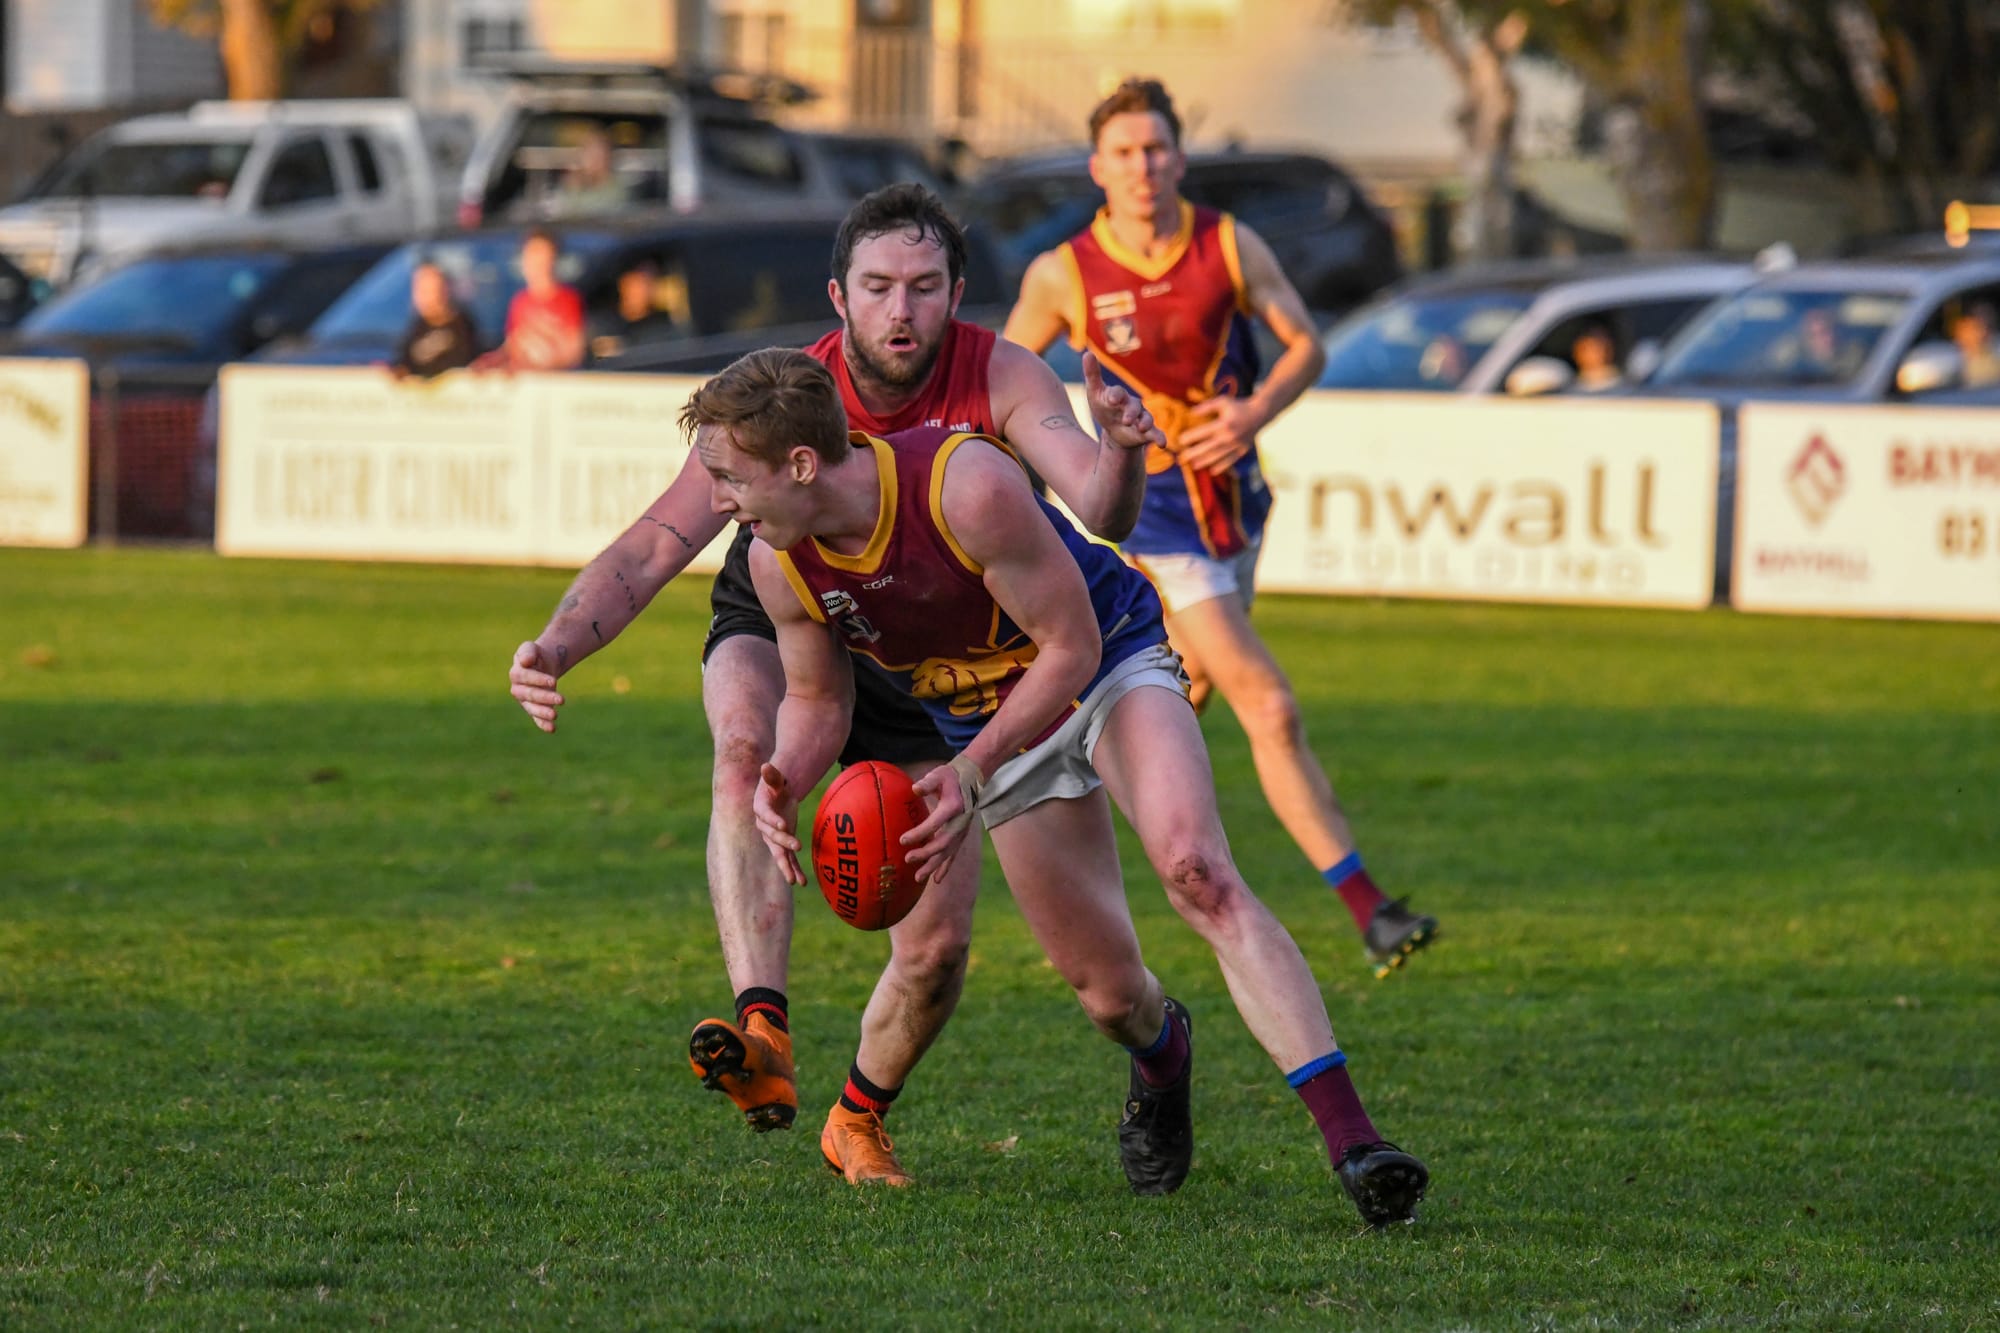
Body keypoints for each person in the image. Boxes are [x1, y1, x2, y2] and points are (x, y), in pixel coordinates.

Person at [507, 184, 1158, 1187]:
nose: (901, 311)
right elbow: (654, 542)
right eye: (878, 287)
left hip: (939, 658)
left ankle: (857, 1116)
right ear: (839, 296)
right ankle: (762, 1030)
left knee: (936, 948)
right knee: (746, 758)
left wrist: (1121, 447)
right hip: (795, 608)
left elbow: (1097, 505)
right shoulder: (774, 394)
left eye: (924, 287)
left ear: (954, 293)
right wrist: (556, 644)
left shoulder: (999, 378)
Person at [691, 347, 1429, 1226]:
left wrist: (967, 771)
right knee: (1112, 996)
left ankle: (1356, 1144)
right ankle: (1163, 1055)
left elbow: (1071, 648)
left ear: (801, 464)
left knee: (1197, 869)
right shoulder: (782, 560)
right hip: (995, 731)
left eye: (728, 476)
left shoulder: (962, 485)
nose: (716, 501)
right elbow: (817, 698)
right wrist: (784, 775)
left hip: (1105, 664)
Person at [1003, 77, 1440, 979]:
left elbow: (1304, 343)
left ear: (1180, 158)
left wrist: (1253, 414)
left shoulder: (1227, 243)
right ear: (1098, 168)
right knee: (1268, 704)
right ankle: (1372, 909)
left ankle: (1050, 830)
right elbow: (1003, 376)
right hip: (1153, 523)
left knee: (1175, 694)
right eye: (1124, 152)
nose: (1142, 166)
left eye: (1156, 148)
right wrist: (1045, 467)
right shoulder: (1067, 273)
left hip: (1233, 509)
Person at [486, 229, 585, 372]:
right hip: (526, 383)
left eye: (541, 254)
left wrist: (542, 364)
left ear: (553, 259)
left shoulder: (568, 299)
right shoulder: (519, 301)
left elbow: (574, 353)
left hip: (553, 383)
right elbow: (512, 345)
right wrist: (494, 360)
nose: (534, 262)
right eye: (530, 254)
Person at [389, 261, 482, 380]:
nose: (423, 297)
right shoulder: (417, 327)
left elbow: (461, 368)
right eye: (419, 290)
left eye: (429, 290)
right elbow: (403, 365)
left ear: (444, 289)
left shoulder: (462, 327)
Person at [586, 258, 684, 361]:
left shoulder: (678, 259)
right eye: (627, 299)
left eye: (628, 285)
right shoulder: (677, 332)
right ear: (636, 315)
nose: (634, 293)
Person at [546, 127, 629, 219]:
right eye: (589, 155)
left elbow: (599, 212)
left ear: (607, 158)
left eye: (598, 156)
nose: (593, 161)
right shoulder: (570, 184)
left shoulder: (616, 189)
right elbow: (557, 212)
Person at [1951, 302, 2000, 387]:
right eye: (1977, 326)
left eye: (1988, 326)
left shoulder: (1993, 361)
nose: (1983, 332)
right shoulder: (1950, 358)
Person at [1569, 321, 1622, 392]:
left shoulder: (1623, 385)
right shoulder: (1568, 386)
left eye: (1603, 343)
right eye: (1592, 345)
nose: (1601, 349)